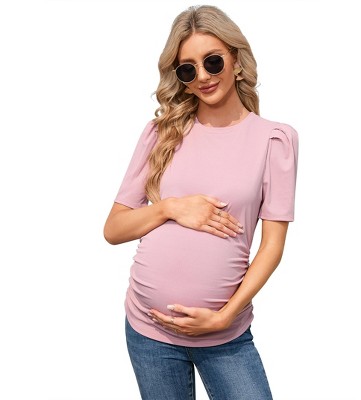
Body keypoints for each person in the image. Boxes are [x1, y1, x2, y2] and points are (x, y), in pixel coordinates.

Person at [104, 4, 298, 399]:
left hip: (225, 334)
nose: (204, 77)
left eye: (212, 61)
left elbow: (272, 247)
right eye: (188, 70)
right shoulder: (161, 133)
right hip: (149, 330)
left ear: (236, 61)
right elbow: (113, 229)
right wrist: (170, 207)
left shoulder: (274, 140)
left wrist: (225, 316)